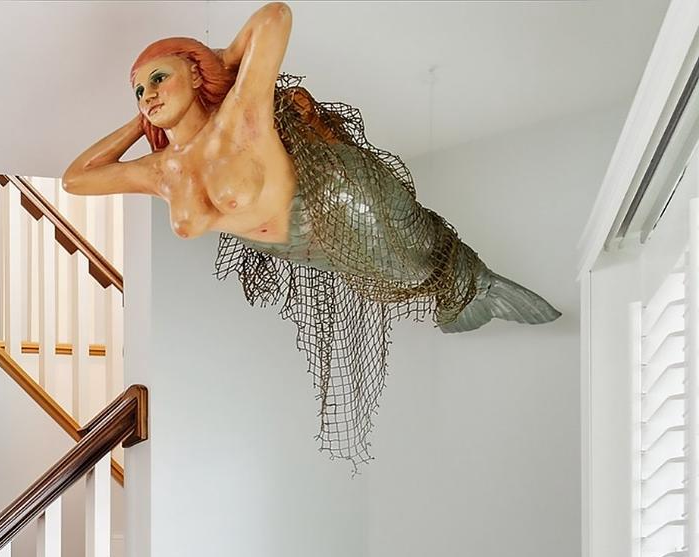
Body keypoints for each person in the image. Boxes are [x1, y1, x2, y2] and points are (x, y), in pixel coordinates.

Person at [61, 2, 557, 462]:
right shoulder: (160, 171)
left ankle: (484, 284)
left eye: (158, 78)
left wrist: (220, 62)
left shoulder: (240, 113)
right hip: (298, 246)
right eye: (138, 90)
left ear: (194, 74)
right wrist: (140, 120)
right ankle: (476, 292)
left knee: (415, 264)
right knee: (403, 281)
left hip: (337, 198)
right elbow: (77, 178)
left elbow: (274, 17)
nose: (148, 94)